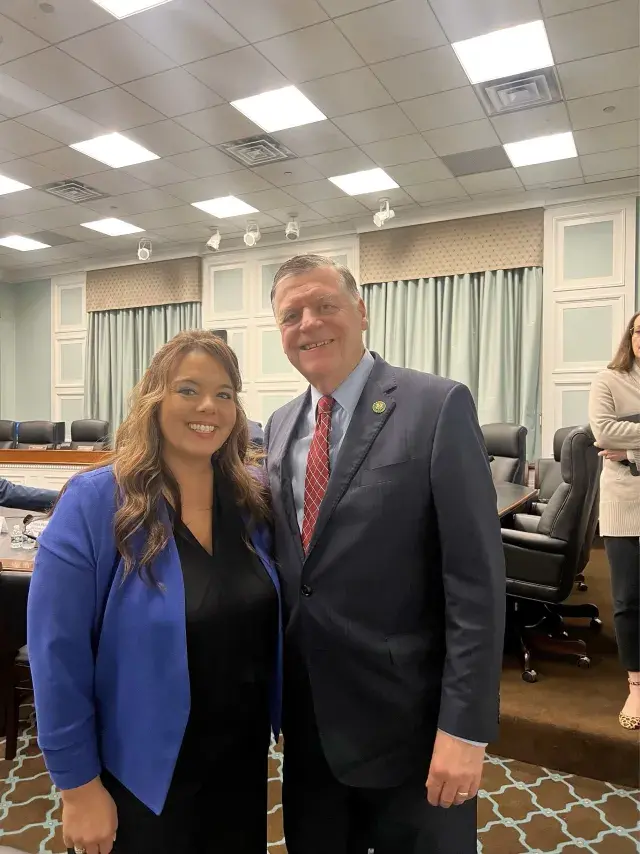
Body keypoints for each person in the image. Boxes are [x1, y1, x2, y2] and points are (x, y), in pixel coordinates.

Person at [264, 254, 505, 854]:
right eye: (291, 314)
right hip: (313, 727)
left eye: (325, 305)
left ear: (362, 311)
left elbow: (475, 582)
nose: (309, 323)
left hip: (414, 731)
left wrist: (465, 728)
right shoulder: (278, 424)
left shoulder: (436, 405)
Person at [27, 330, 282, 854]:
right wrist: (77, 788)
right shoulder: (97, 502)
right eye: (187, 389)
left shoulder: (252, 501)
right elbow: (58, 655)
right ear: (153, 398)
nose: (207, 406)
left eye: (224, 393)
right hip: (142, 775)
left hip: (240, 761)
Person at [589, 311, 640, 731]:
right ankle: (636, 685)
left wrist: (633, 451)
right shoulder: (608, 380)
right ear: (631, 336)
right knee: (627, 600)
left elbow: (620, 440)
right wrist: (619, 444)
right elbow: (604, 433)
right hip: (624, 506)